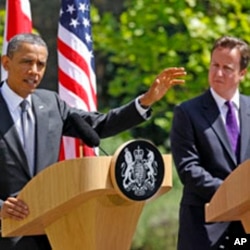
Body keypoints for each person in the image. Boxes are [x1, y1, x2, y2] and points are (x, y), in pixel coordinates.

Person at [0, 33, 186, 250]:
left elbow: (99, 125)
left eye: (41, 64)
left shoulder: (51, 104)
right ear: (6, 62)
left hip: (48, 232)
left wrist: (145, 101)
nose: (34, 71)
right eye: (27, 62)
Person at [170, 35, 250, 250]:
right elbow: (188, 169)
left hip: (244, 232)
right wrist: (233, 195)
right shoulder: (186, 112)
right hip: (204, 229)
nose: (218, 73)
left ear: (242, 73)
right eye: (215, 65)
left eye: (227, 67)